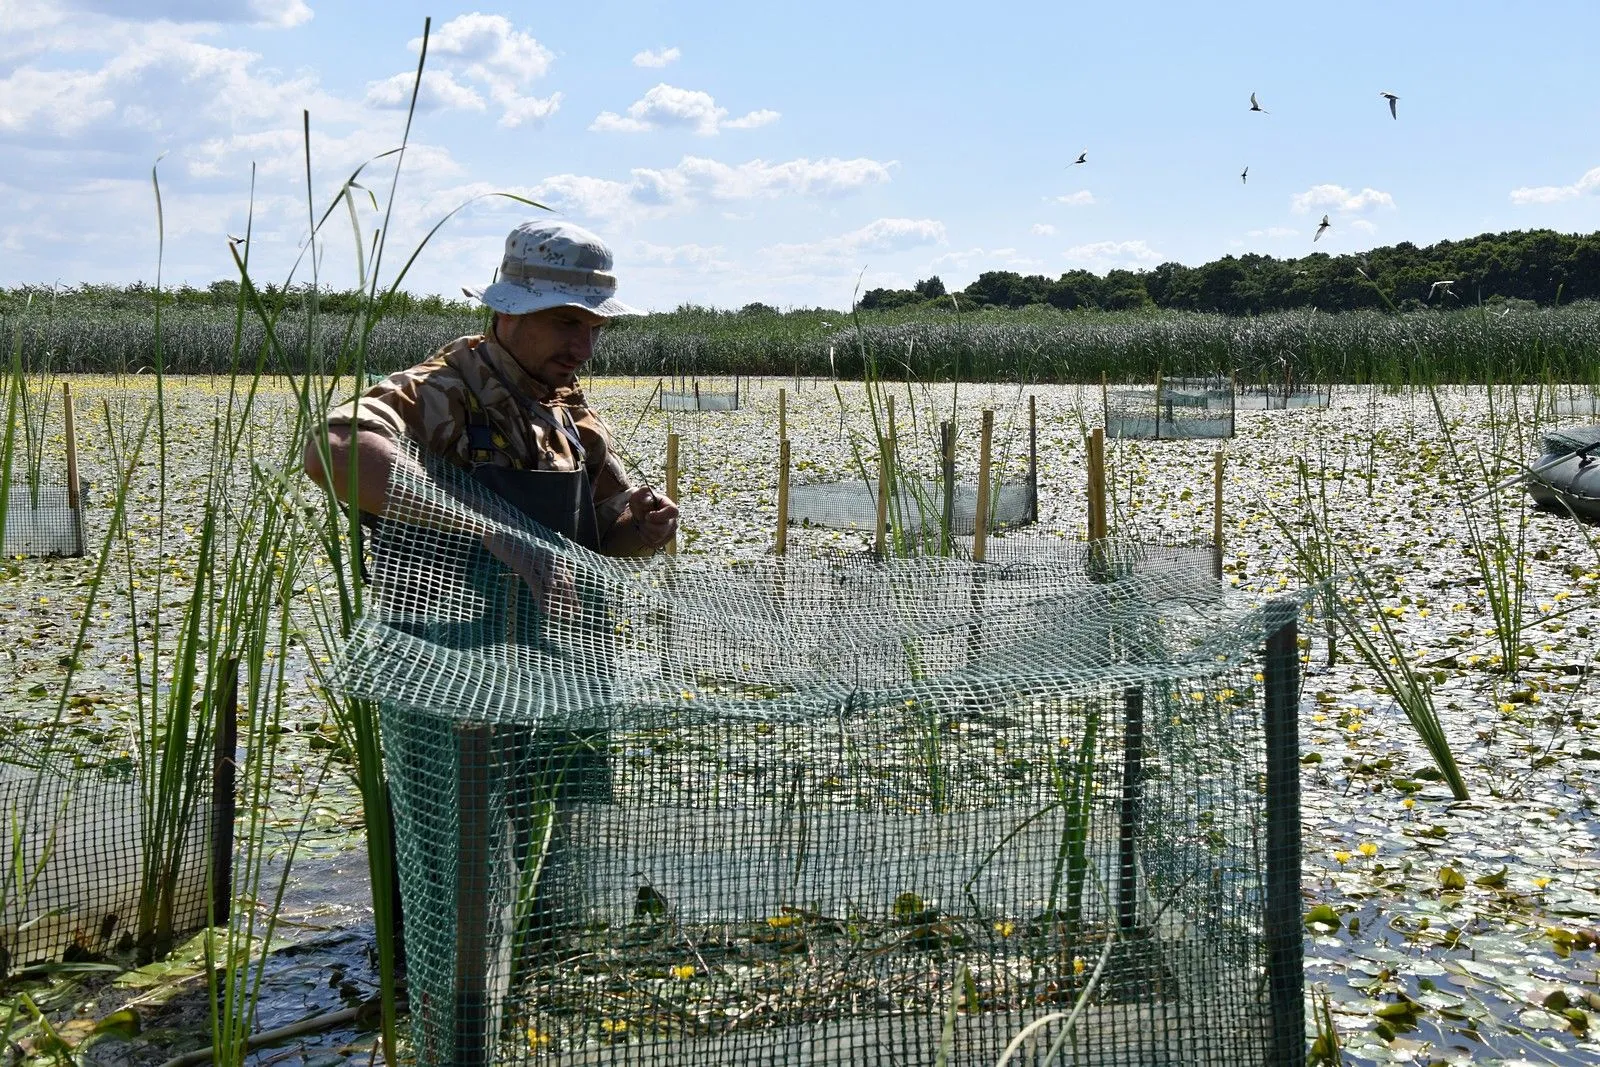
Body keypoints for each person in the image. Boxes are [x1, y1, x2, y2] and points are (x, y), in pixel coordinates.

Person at [302, 219, 678, 558]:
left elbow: (604, 540)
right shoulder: (440, 390)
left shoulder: (572, 418)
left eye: (595, 329)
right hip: (441, 631)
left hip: (562, 634)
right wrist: (492, 532)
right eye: (566, 322)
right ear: (510, 311)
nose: (585, 349)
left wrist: (643, 527)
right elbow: (333, 451)